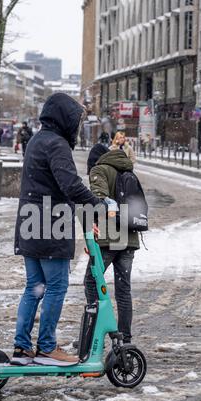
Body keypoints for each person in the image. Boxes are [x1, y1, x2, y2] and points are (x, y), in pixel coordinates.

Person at [12, 93, 116, 367]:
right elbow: (70, 185)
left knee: (34, 287)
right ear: (64, 120)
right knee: (57, 285)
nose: (77, 127)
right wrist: (97, 205)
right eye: (75, 121)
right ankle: (47, 347)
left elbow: (55, 186)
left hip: (31, 223)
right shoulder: (57, 145)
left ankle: (22, 348)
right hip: (50, 226)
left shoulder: (37, 140)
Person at [84, 146, 140, 344]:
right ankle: (125, 339)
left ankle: (92, 334)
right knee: (123, 289)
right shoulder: (127, 169)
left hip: (109, 238)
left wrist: (91, 226)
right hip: (130, 237)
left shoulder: (99, 169)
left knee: (91, 282)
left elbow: (98, 202)